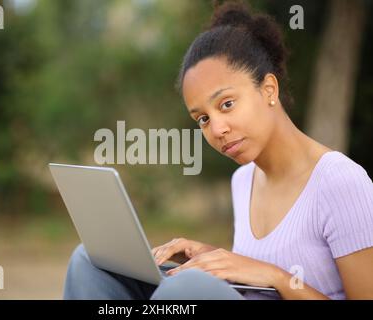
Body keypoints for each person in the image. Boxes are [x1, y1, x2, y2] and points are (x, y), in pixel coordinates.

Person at [63, 0, 373, 300]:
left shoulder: (340, 182)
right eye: (203, 119)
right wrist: (215, 259)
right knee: (92, 262)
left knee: (186, 292)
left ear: (269, 89)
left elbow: (270, 278)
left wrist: (276, 276)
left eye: (227, 104)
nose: (217, 129)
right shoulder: (243, 180)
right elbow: (254, 286)